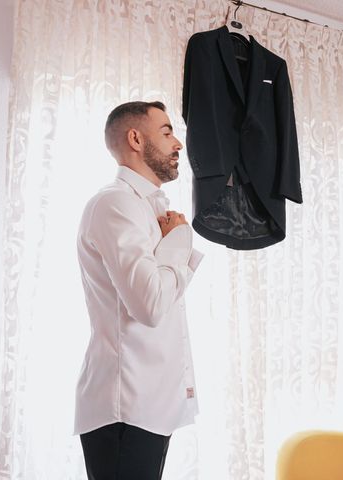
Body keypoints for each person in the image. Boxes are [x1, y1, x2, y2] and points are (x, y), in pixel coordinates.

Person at [74, 101, 204, 479]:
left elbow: (159, 301)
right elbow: (148, 305)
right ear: (135, 138)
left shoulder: (146, 209)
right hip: (125, 407)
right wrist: (178, 244)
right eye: (166, 132)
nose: (177, 143)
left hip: (147, 407)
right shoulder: (116, 204)